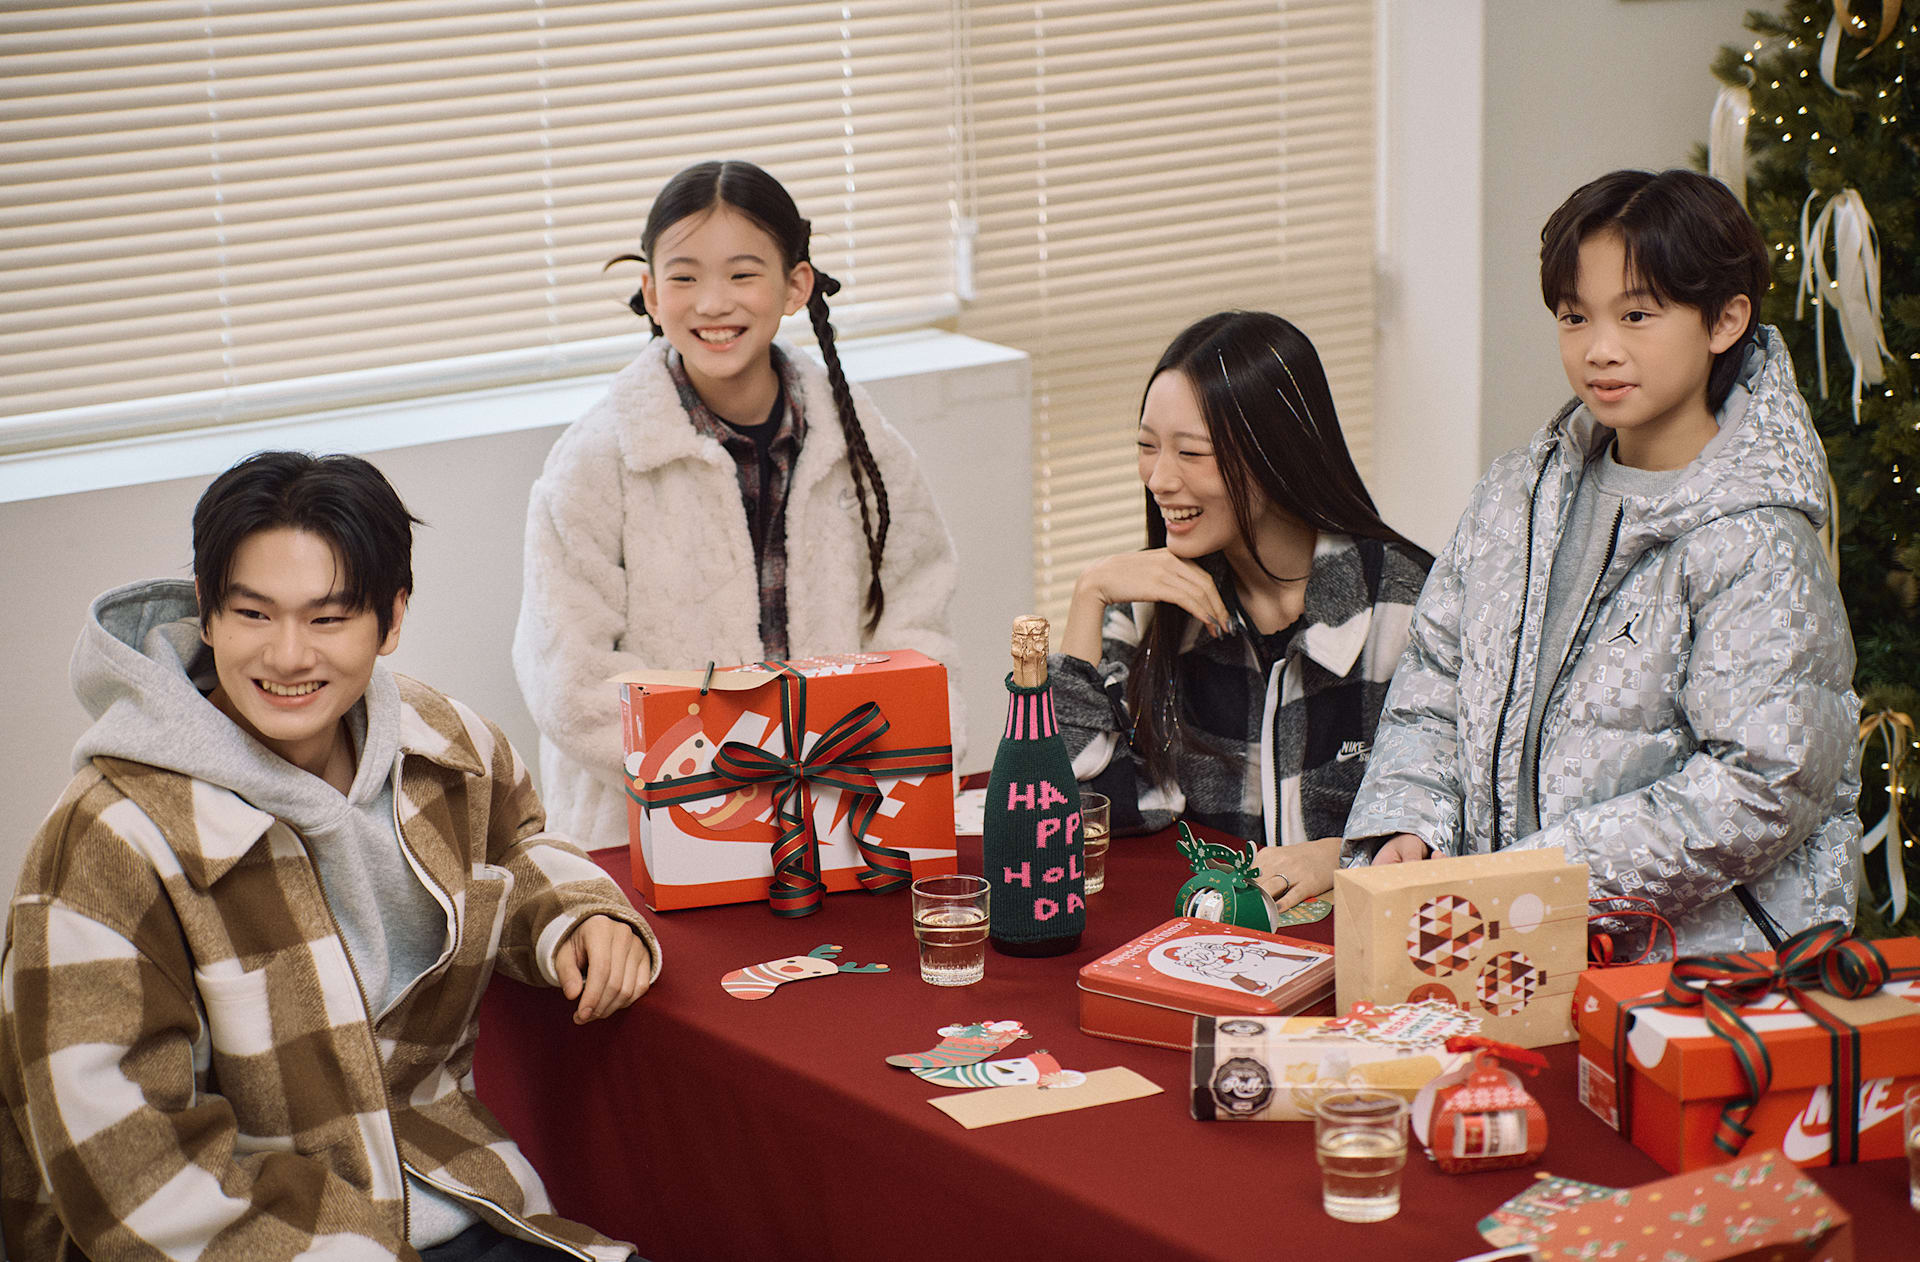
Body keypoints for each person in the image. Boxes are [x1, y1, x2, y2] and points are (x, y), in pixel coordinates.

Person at [0, 452, 657, 1260]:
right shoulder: (107, 841)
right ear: (207, 612)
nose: (287, 657)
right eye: (253, 614)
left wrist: (578, 913)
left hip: (463, 1194)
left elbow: (515, 844)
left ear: (392, 618)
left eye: (328, 619)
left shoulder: (444, 744)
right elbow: (128, 1177)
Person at [1343, 168, 1861, 954]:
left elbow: (1766, 783)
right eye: (1575, 317)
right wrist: (1408, 823)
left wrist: (1539, 875)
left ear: (1725, 320)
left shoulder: (1757, 540)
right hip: (1505, 945)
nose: (1600, 349)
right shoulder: (1515, 497)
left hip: (1689, 974)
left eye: (1637, 314)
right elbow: (1433, 685)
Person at [515, 159, 962, 853]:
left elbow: (918, 620)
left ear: (795, 286)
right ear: (651, 294)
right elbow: (567, 677)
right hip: (656, 829)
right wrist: (725, 781)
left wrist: (879, 758)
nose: (713, 303)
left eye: (743, 274)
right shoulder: (594, 462)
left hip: (841, 818)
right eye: (684, 277)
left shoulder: (866, 446)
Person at [1050, 311, 1433, 911]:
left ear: (1278, 454)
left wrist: (1337, 856)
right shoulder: (1149, 607)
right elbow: (1063, 820)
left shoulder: (1408, 608)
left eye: (1191, 452)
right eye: (1147, 447)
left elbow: (1470, 825)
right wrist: (1088, 595)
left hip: (1360, 950)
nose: (1159, 478)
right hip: (1207, 943)